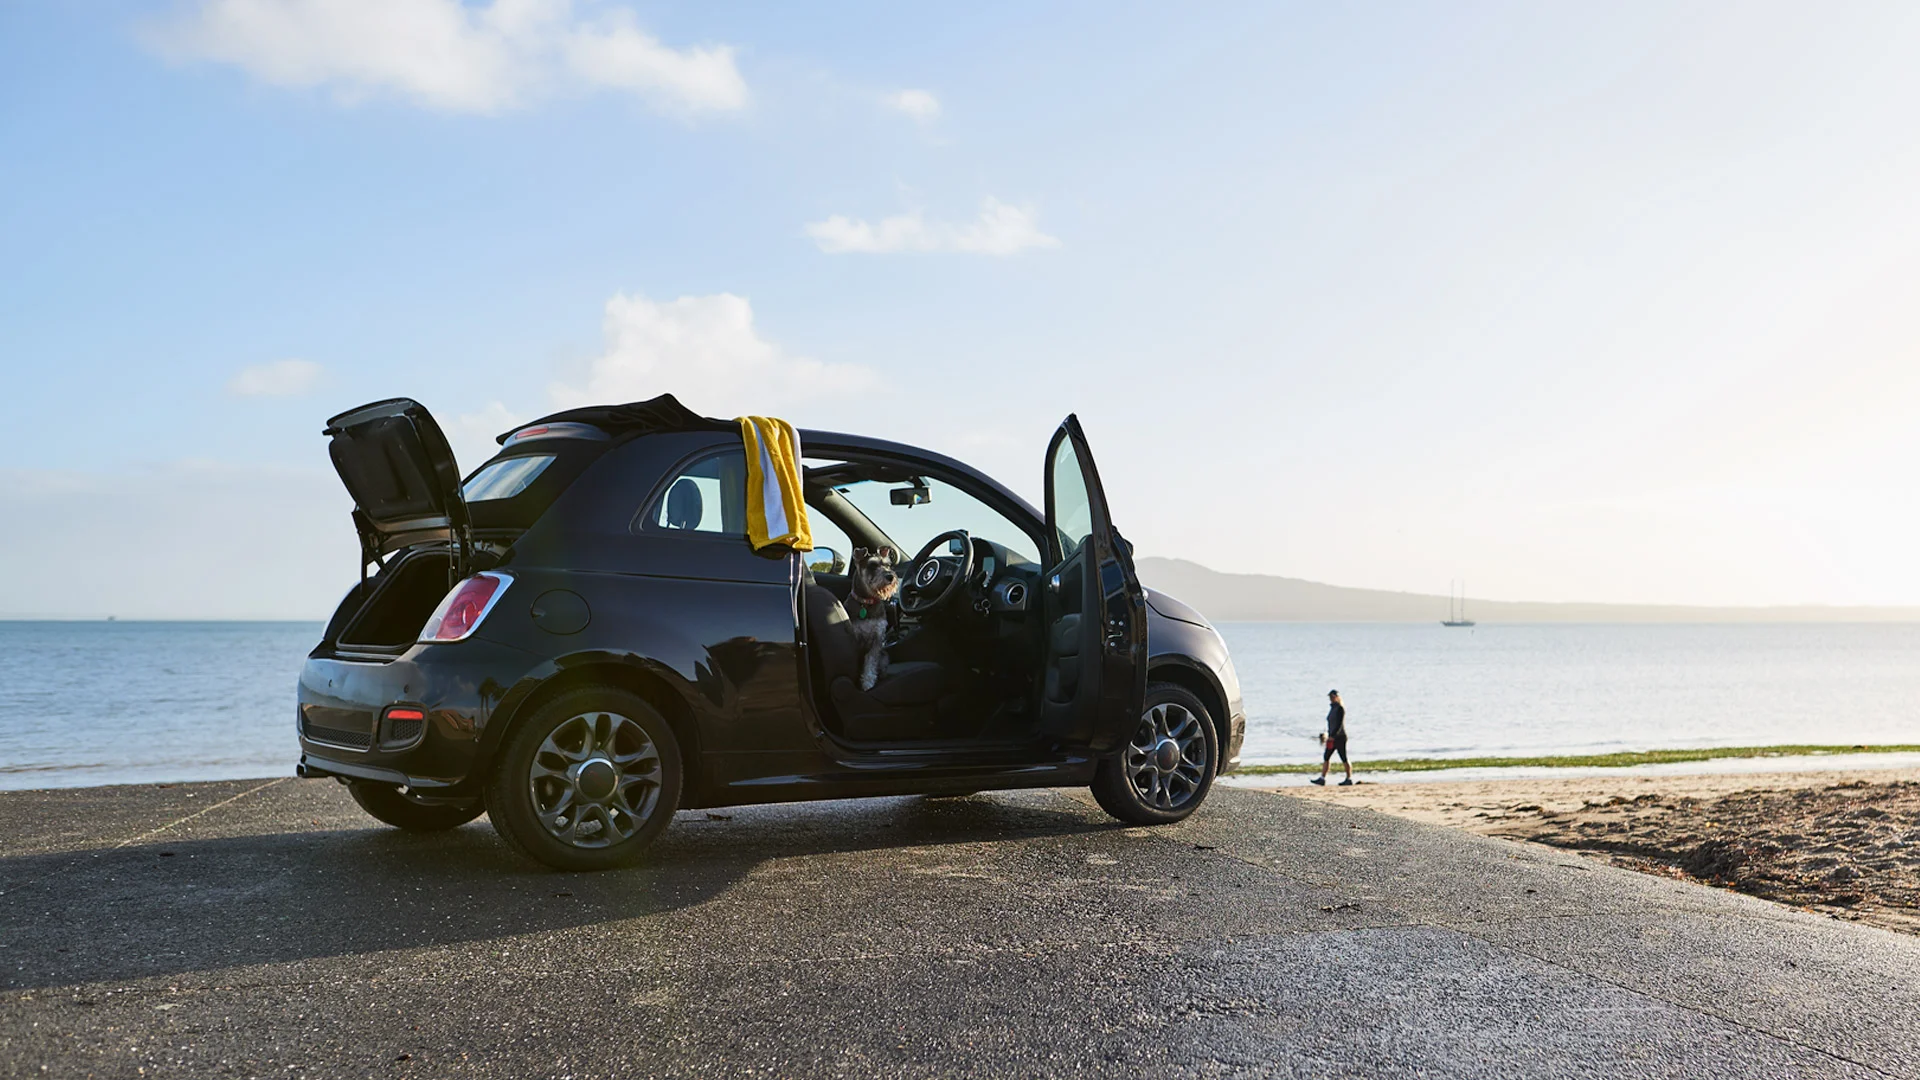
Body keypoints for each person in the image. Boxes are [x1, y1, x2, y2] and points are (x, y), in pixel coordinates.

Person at [1310, 689, 1352, 786]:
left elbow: (1339, 724)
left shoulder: (1340, 708)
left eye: (1333, 697)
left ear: (1337, 697)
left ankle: (1349, 778)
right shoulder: (1332, 708)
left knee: (1343, 757)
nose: (1331, 699)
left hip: (1340, 737)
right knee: (1326, 756)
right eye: (1330, 697)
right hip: (1331, 737)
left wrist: (1333, 736)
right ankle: (1322, 778)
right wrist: (1328, 735)